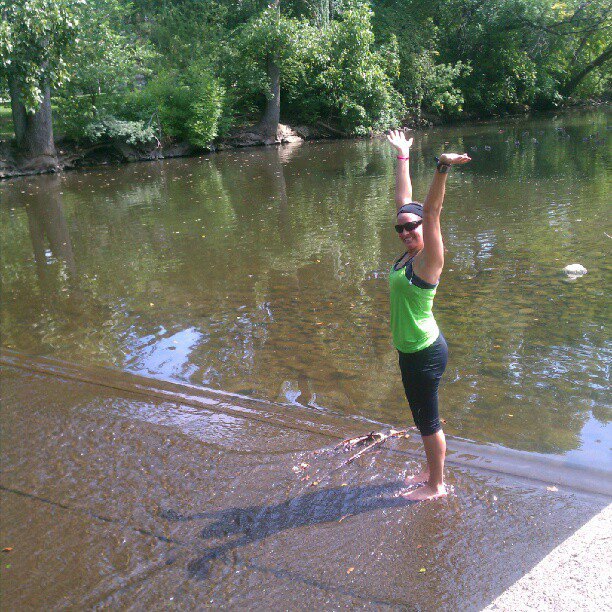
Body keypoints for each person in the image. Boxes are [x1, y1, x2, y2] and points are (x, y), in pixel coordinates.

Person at [386, 130, 470, 501]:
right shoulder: (409, 250)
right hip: (411, 349)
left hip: (424, 351)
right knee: (422, 417)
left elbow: (431, 213)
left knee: (428, 420)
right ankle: (430, 470)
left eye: (411, 226)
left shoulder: (428, 260)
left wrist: (442, 167)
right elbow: (405, 201)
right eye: (400, 227)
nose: (405, 231)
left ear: (423, 227)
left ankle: (436, 485)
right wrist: (403, 155)